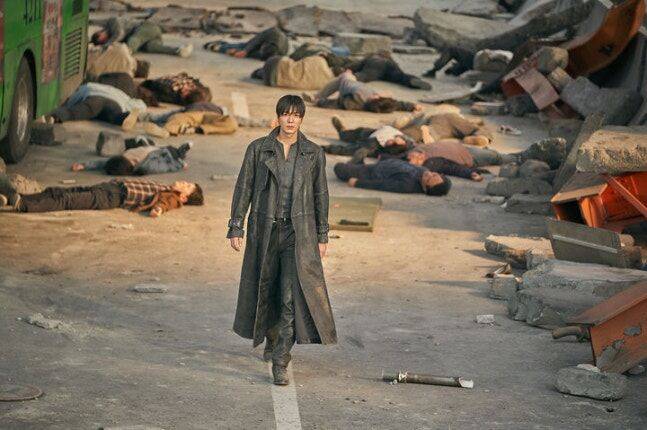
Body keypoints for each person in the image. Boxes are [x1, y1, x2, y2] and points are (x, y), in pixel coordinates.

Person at [227, 95, 336, 386]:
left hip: (297, 234)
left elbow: (321, 195)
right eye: (286, 114)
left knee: (289, 296)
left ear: (301, 119)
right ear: (278, 117)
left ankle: (280, 359)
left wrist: (322, 235)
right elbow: (244, 187)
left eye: (296, 115)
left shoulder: (313, 153)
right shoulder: (258, 149)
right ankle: (272, 337)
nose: (291, 120)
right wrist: (236, 226)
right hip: (265, 230)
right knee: (267, 287)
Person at [14, 179, 203, 218]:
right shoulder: (166, 187)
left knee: (68, 200)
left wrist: (158, 210)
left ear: (184, 197)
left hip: (113, 197)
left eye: (187, 186)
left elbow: (165, 204)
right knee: (62, 191)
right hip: (111, 187)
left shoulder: (173, 198)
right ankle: (23, 197)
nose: (183, 182)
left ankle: (22, 205)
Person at [304, 70, 421, 113]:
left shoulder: (357, 100)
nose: (377, 95)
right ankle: (317, 96)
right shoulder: (382, 104)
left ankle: (317, 96)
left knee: (343, 76)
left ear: (375, 99)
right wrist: (412, 106)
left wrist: (320, 102)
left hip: (346, 84)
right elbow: (396, 104)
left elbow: (337, 103)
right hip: (355, 83)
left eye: (377, 97)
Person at [46, 82, 146, 130]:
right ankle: (124, 117)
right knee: (114, 116)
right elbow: (140, 105)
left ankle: (54, 116)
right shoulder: (123, 95)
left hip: (95, 99)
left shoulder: (88, 85)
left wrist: (68, 104)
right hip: (115, 104)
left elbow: (72, 100)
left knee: (76, 112)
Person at [71, 137, 193, 176]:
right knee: (176, 153)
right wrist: (180, 165)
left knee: (137, 141)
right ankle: (183, 150)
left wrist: (84, 165)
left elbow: (103, 163)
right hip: (165, 154)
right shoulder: (148, 167)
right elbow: (166, 167)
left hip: (149, 147)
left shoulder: (123, 158)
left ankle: (148, 141)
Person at [334, 158, 452, 195]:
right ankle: (356, 162)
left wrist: (358, 183)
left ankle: (355, 163)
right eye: (434, 174)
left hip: (371, 173)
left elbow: (383, 185)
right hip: (383, 164)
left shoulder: (407, 185)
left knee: (339, 168)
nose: (429, 174)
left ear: (426, 188)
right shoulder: (424, 171)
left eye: (429, 179)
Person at [324, 117, 415, 163]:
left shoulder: (376, 146)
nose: (389, 141)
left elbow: (361, 152)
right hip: (367, 132)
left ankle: (324, 148)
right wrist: (403, 140)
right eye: (391, 142)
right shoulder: (406, 141)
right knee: (345, 135)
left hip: (369, 142)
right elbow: (413, 145)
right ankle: (342, 131)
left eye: (388, 143)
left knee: (348, 149)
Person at [91, 17, 193, 57]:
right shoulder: (112, 38)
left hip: (146, 27)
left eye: (102, 38)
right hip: (151, 36)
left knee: (133, 40)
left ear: (100, 32)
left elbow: (119, 34)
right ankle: (179, 50)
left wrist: (107, 46)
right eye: (103, 41)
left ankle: (125, 55)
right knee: (151, 47)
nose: (106, 39)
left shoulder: (112, 22)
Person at [251, 55, 334, 90]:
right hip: (272, 81)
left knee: (284, 64)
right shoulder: (326, 84)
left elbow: (297, 57)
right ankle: (261, 73)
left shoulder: (320, 60)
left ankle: (259, 72)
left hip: (273, 64)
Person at [204, 27, 288, 61]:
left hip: (271, 50)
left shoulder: (281, 52)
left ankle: (221, 46)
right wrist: (245, 51)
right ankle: (219, 46)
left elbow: (259, 55)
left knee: (244, 51)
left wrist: (237, 53)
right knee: (244, 46)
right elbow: (255, 42)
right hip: (265, 38)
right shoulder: (271, 33)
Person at [140, 73, 212, 106]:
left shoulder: (168, 92)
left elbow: (150, 87)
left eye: (186, 91)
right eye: (190, 89)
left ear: (184, 97)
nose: (185, 88)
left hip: (156, 85)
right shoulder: (199, 90)